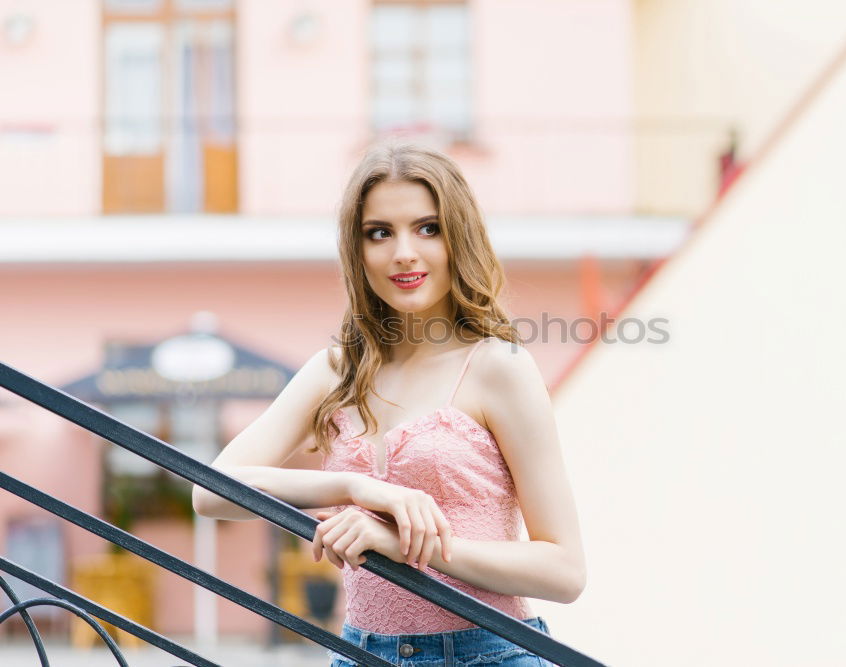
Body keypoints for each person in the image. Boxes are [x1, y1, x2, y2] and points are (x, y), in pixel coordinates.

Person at [192, 141, 586, 666]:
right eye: (380, 232)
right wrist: (354, 487)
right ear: (358, 250)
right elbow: (211, 493)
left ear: (457, 238)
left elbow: (564, 571)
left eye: (427, 228)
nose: (403, 252)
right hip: (359, 652)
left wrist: (403, 547)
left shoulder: (498, 367)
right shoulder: (336, 370)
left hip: (486, 653)